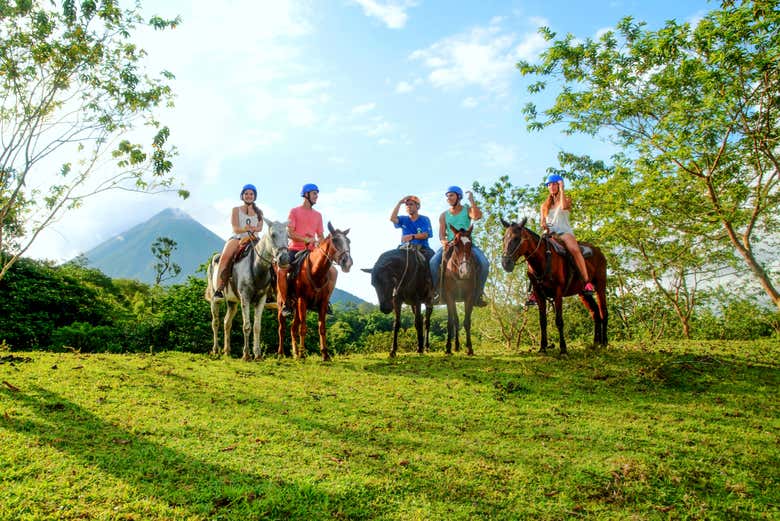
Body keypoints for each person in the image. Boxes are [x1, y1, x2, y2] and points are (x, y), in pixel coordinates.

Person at [429, 186, 489, 307]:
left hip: (466, 244)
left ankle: (479, 293)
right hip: (451, 244)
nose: (449, 198)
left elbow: (477, 216)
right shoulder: (443, 215)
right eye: (447, 196)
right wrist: (444, 241)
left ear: (459, 197)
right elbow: (441, 234)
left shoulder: (467, 210)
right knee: (433, 262)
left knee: (484, 263)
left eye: (451, 195)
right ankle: (437, 292)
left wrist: (472, 200)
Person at [276, 182, 328, 317]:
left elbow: (321, 236)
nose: (317, 196)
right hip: (294, 249)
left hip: (313, 252)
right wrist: (306, 240)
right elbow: (290, 233)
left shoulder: (318, 215)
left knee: (332, 272)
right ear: (306, 195)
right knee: (281, 272)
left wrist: (321, 247)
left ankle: (325, 302)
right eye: (314, 193)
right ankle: (286, 302)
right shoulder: (294, 211)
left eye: (317, 194)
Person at [540, 174, 595, 295]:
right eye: (549, 185)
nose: (552, 187)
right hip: (550, 234)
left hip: (564, 232)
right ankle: (534, 291)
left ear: (559, 185)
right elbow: (542, 221)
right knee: (535, 251)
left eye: (554, 184)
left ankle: (587, 282)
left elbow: (564, 207)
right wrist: (543, 224)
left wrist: (562, 189)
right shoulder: (544, 206)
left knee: (574, 250)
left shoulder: (566, 199)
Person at [213, 184, 264, 298]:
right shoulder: (235, 210)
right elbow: (235, 228)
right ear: (242, 196)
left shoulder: (259, 212)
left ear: (254, 196)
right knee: (225, 257)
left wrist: (254, 230)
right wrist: (245, 229)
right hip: (237, 238)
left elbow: (260, 228)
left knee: (268, 258)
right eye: (246, 194)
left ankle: (270, 291)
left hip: (254, 239)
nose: (249, 196)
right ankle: (219, 289)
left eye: (251, 194)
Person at [390, 195, 435, 262]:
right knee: (389, 259)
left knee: (433, 261)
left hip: (422, 248)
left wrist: (412, 236)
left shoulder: (424, 219)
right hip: (404, 248)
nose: (408, 206)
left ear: (417, 206)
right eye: (407, 205)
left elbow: (426, 234)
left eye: (411, 204)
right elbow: (392, 218)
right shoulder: (403, 219)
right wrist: (399, 203)